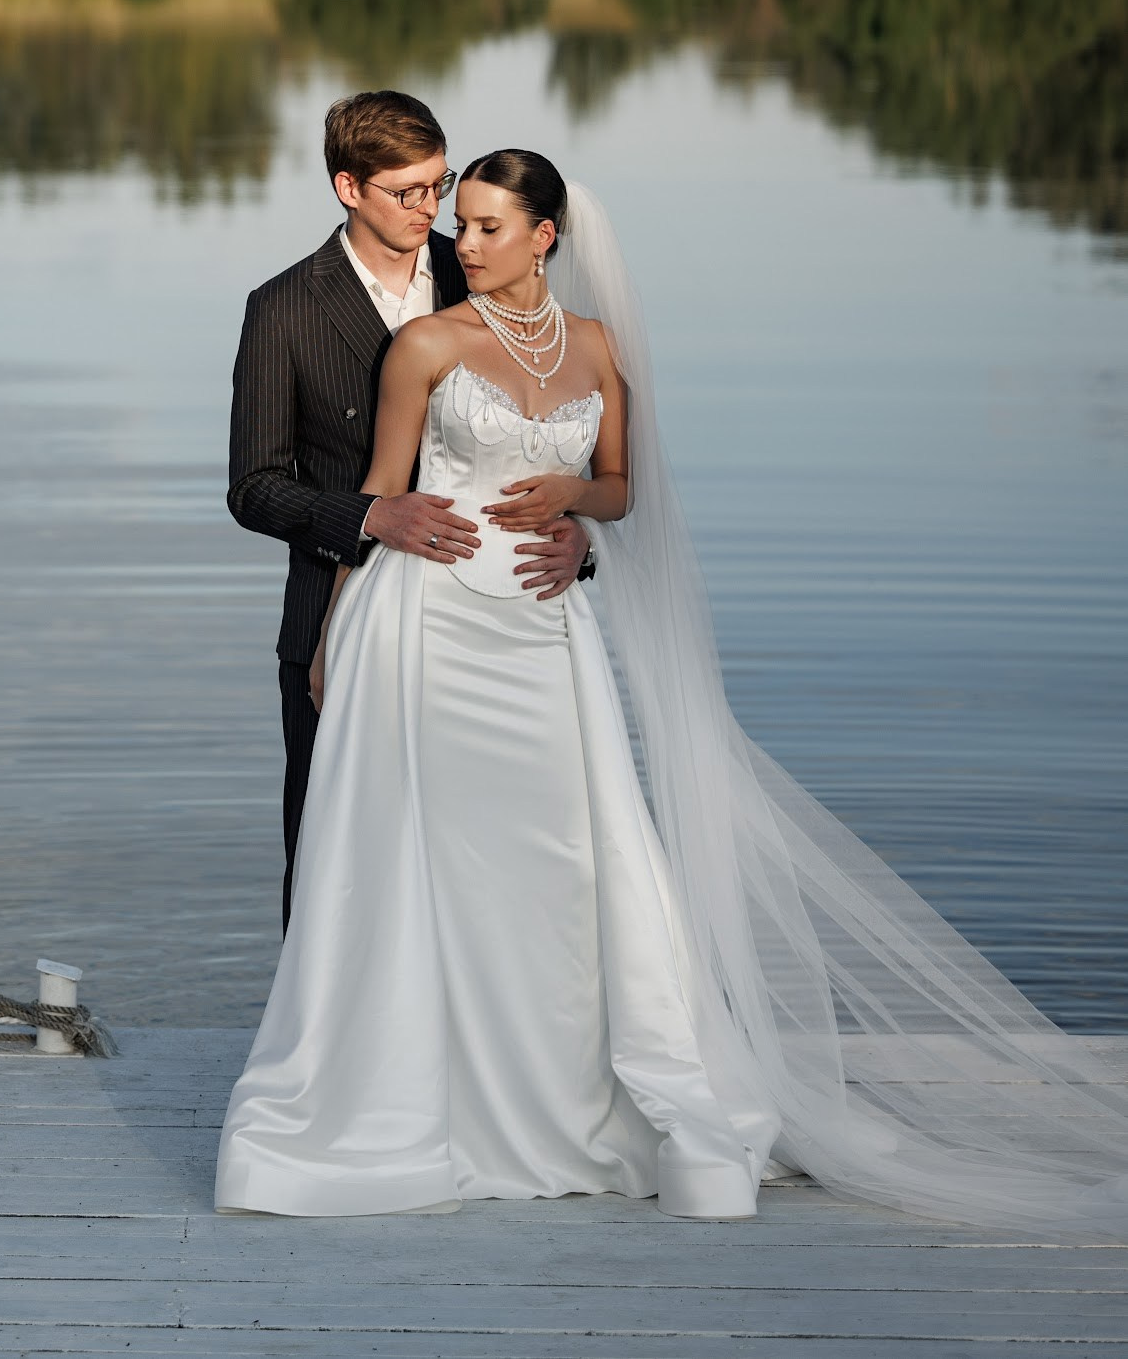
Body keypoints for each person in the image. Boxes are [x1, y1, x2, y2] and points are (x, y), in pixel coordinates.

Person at [214, 150, 1128, 1233]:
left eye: (488, 224)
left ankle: (558, 1091)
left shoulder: (598, 348)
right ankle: (411, 1093)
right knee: (415, 859)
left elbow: (620, 487)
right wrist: (327, 633)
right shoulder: (421, 342)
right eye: (459, 221)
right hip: (422, 625)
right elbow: (375, 493)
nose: (463, 242)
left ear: (547, 235)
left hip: (544, 631)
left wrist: (575, 510)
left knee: (561, 859)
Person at [227, 93, 584, 927]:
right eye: (408, 191)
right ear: (349, 189)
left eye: (440, 184)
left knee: (490, 851)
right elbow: (252, 486)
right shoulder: (282, 308)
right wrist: (367, 518)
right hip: (338, 616)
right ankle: (318, 1055)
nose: (433, 209)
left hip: (490, 620)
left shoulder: (489, 273)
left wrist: (579, 536)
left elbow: (553, 435)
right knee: (329, 855)